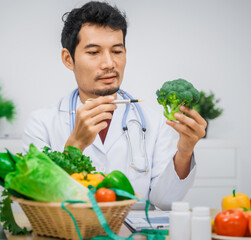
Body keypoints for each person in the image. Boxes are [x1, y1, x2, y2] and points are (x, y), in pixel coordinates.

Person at [22, 1, 207, 210]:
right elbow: (37, 201)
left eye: (117, 51)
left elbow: (163, 201)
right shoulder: (42, 123)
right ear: (68, 59)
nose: (109, 63)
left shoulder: (153, 121)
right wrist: (75, 145)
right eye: (94, 52)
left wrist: (184, 151)